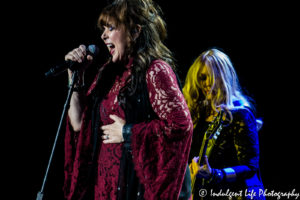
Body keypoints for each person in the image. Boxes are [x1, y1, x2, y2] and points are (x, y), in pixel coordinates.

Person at [63, 0, 193, 199]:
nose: (103, 35)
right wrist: (76, 78)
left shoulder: (156, 70)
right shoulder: (107, 74)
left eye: (111, 28)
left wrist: (128, 132)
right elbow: (80, 124)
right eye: (103, 29)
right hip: (103, 188)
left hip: (133, 189)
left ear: (134, 31)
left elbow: (180, 126)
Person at [182, 48, 265, 200]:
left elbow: (250, 167)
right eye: (203, 77)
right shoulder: (196, 116)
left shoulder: (239, 115)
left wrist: (216, 174)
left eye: (214, 77)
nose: (208, 83)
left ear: (225, 77)